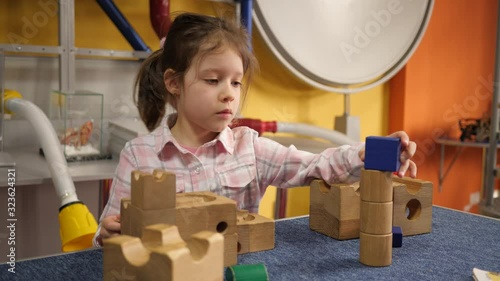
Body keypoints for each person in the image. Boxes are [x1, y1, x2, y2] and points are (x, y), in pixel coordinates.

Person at [93, 12, 417, 246]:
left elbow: (317, 166)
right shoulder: (140, 156)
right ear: (174, 83)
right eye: (212, 80)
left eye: (236, 81)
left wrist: (369, 154)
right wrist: (108, 234)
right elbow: (106, 236)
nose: (229, 93)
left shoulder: (249, 148)